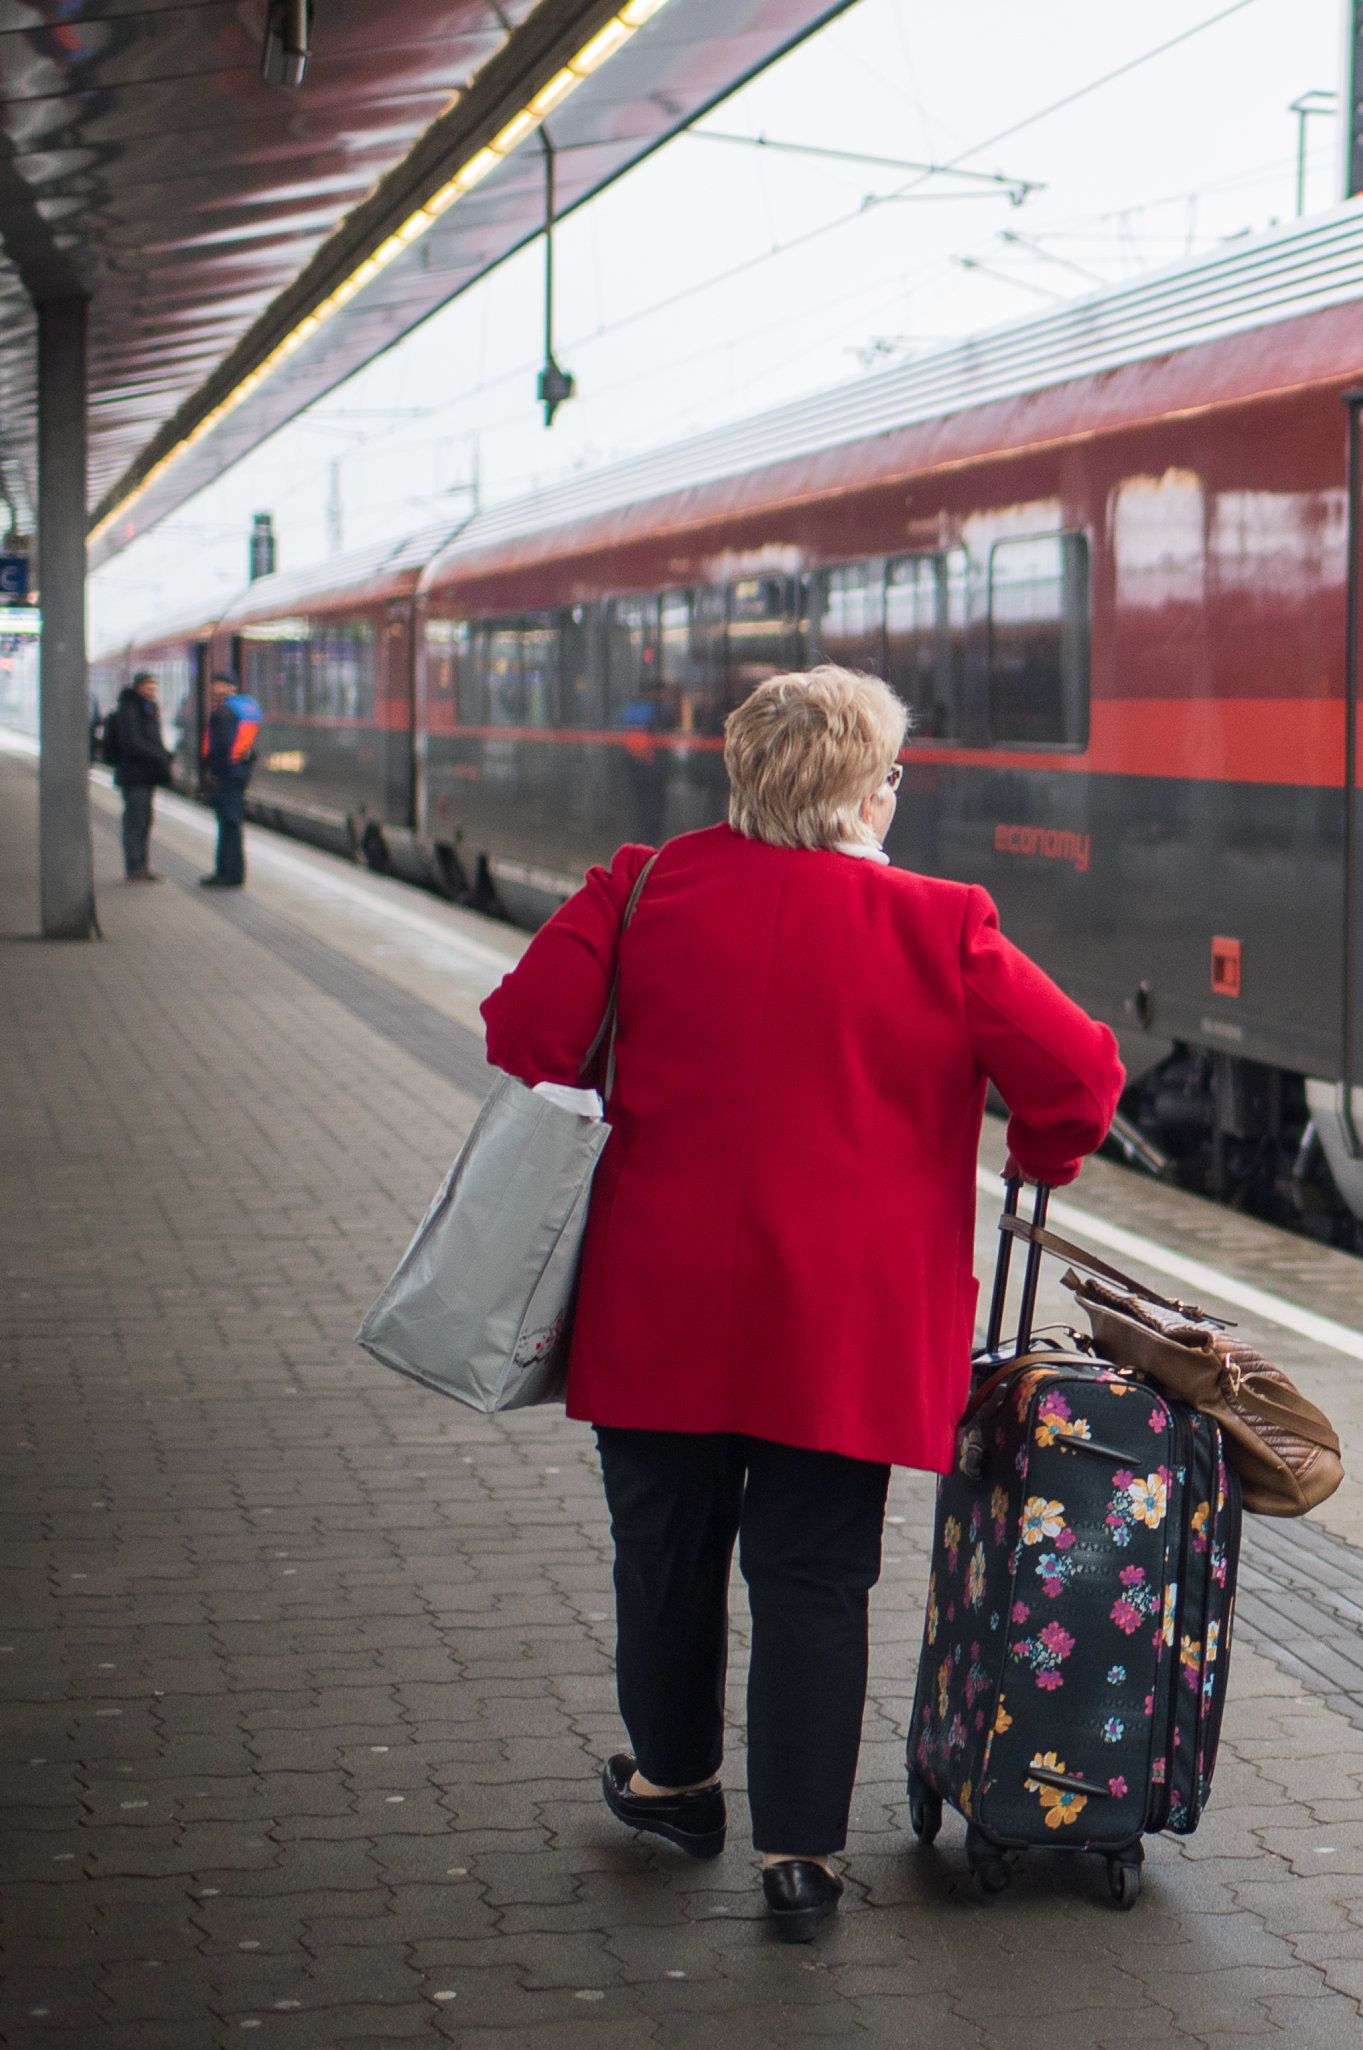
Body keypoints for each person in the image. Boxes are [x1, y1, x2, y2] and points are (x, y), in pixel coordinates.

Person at [478, 666, 1121, 1942]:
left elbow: (526, 1034)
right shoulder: (941, 922)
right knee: (814, 1577)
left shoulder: (641, 885)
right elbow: (1079, 1075)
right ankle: (799, 1859)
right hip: (842, 1327)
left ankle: (675, 1787)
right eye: (892, 774)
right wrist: (1038, 1153)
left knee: (664, 1554)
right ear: (867, 791)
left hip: (658, 1304)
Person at [101, 674, 171, 882]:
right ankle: (134, 868)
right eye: (149, 687)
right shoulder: (129, 709)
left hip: (145, 774)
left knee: (144, 820)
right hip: (133, 775)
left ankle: (142, 866)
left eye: (154, 687)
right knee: (136, 821)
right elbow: (133, 742)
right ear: (139, 687)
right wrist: (160, 756)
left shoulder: (148, 708)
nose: (152, 691)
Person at [197, 674, 259, 887]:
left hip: (227, 774)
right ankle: (227, 871)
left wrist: (214, 774)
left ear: (226, 687)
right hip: (239, 770)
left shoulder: (223, 713)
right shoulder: (246, 709)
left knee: (228, 824)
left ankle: (229, 874)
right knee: (231, 823)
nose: (212, 688)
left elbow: (221, 747)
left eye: (215, 684)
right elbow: (247, 748)